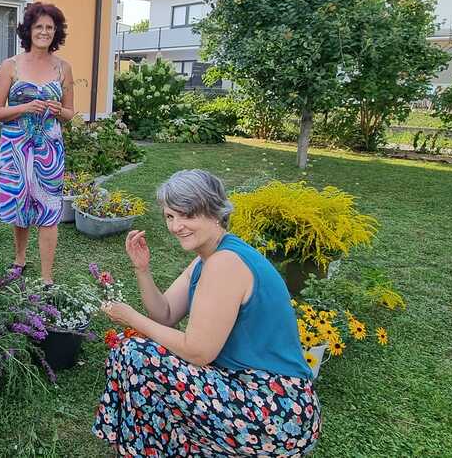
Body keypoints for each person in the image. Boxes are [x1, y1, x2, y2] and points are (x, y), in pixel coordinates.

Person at [93, 169, 321, 456]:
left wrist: (130, 317)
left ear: (215, 212)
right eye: (170, 216)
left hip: (275, 408)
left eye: (187, 215)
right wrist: (142, 269)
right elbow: (165, 314)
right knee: (133, 352)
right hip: (246, 390)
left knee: (134, 354)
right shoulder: (209, 259)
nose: (176, 226)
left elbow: (198, 352)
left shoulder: (225, 263)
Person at [0, 2, 74, 286]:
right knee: (20, 206)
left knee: (49, 208)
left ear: (56, 32)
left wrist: (58, 110)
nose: (44, 32)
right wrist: (25, 108)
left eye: (50, 27)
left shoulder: (63, 68)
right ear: (29, 30)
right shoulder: (10, 66)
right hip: (16, 148)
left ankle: (47, 278)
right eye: (39, 26)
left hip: (49, 150)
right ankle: (19, 260)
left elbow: (70, 113)